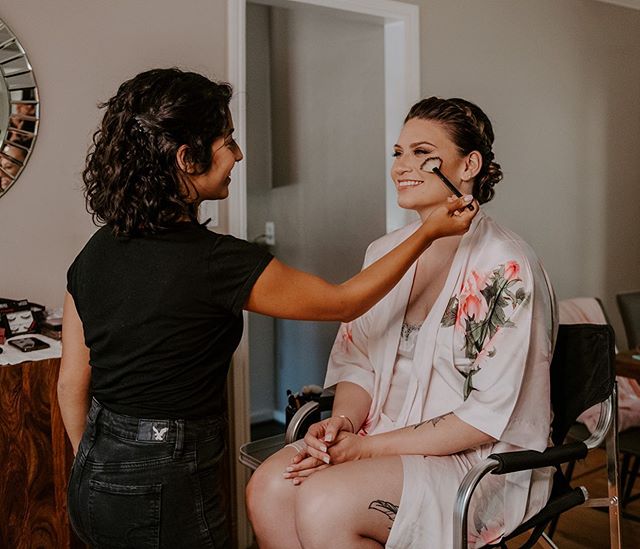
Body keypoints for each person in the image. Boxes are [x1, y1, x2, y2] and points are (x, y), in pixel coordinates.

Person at [58, 69, 477, 549]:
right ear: (186, 157)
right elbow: (347, 301)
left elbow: (72, 384)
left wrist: (98, 466)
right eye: (227, 140)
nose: (238, 154)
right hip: (164, 475)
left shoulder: (96, 251)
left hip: (93, 470)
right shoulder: (216, 262)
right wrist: (426, 233)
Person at [246, 97, 557, 549]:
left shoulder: (505, 266)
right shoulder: (383, 254)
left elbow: (485, 418)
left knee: (323, 502)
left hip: (475, 463)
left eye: (421, 153)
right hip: (378, 435)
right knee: (269, 488)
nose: (401, 167)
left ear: (469, 164)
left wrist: (365, 449)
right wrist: (345, 425)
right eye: (398, 152)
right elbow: (357, 362)